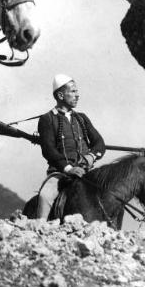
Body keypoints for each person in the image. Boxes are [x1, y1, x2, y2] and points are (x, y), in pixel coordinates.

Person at [36, 74, 106, 219]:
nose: (77, 95)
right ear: (61, 95)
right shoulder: (47, 119)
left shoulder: (82, 117)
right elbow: (49, 151)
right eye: (73, 91)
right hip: (60, 174)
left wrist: (90, 157)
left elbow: (100, 143)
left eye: (77, 91)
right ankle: (39, 230)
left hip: (87, 172)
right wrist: (69, 168)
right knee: (45, 196)